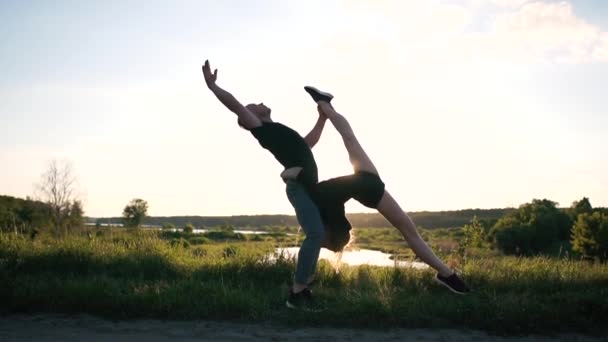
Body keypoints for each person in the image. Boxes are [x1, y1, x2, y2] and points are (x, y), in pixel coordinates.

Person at [293, 86, 470, 294]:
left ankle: (446, 274)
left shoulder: (321, 213)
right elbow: (319, 237)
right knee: (349, 138)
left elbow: (319, 238)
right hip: (367, 183)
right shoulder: (322, 210)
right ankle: (446, 274)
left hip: (366, 183)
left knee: (408, 230)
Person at [201, 60, 328, 310]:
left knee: (319, 234)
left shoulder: (277, 130)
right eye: (254, 106)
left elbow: (307, 144)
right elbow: (236, 105)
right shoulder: (261, 129)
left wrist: (322, 119)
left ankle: (302, 288)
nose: (258, 103)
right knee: (315, 234)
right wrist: (213, 87)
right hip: (299, 188)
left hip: (308, 186)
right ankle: (297, 292)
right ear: (252, 117)